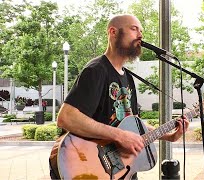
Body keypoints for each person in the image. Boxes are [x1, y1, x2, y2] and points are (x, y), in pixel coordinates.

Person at [51, 14, 189, 179]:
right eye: (134, 29)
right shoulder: (96, 70)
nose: (140, 35)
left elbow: (134, 125)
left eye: (141, 30)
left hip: (123, 171)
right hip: (92, 165)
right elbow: (66, 117)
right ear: (113, 32)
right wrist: (119, 135)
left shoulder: (128, 77)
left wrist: (168, 135)